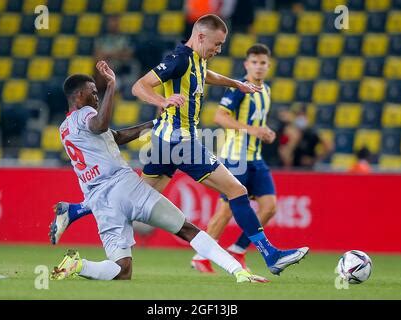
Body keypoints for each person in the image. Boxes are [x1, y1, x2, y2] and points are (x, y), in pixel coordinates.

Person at [51, 15, 308, 277]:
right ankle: (271, 255)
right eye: (216, 44)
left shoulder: (196, 61)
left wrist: (236, 83)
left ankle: (76, 210)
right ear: (200, 37)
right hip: (179, 141)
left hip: (165, 144)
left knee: (134, 199)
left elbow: (205, 75)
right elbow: (141, 87)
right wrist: (161, 102)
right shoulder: (179, 58)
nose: (218, 50)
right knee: (236, 190)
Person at [50, 62, 269, 283]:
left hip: (100, 203)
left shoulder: (64, 129)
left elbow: (113, 137)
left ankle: (78, 265)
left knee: (122, 270)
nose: (96, 98)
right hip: (125, 188)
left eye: (98, 93)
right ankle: (238, 271)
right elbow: (100, 125)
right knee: (186, 229)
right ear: (78, 96)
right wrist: (111, 86)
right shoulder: (87, 113)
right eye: (93, 93)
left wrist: (156, 123)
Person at [191, 44, 278, 273]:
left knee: (269, 207)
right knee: (226, 211)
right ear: (246, 65)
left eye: (263, 63)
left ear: (268, 66)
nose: (259, 67)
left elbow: (257, 124)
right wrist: (251, 129)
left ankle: (238, 250)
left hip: (256, 159)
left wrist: (265, 131)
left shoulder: (266, 91)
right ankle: (201, 256)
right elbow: (220, 117)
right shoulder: (240, 89)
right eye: (254, 62)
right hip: (235, 158)